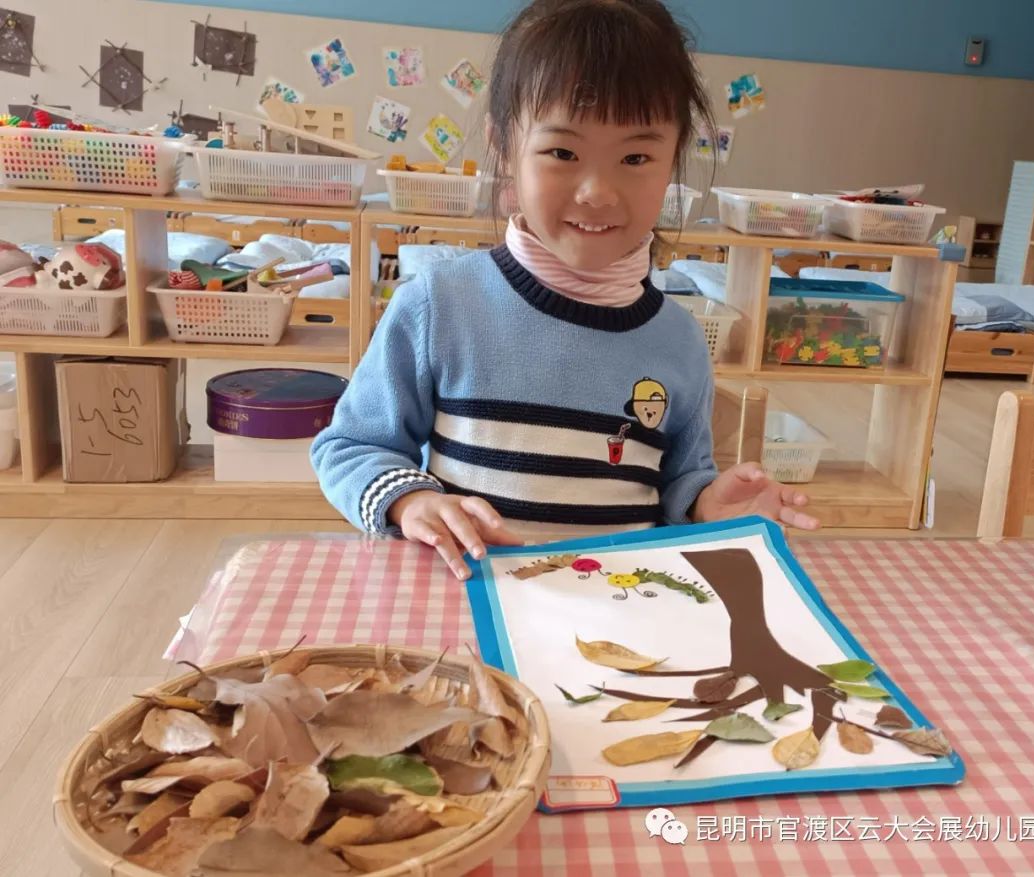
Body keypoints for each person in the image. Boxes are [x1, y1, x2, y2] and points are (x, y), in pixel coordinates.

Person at [312, 0, 819, 580]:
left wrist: (708, 504)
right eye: (562, 152)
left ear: (674, 158)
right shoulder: (439, 305)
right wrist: (411, 502)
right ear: (504, 145)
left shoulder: (679, 340)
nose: (597, 191)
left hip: (621, 608)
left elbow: (680, 481)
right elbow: (350, 447)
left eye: (636, 156)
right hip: (473, 607)